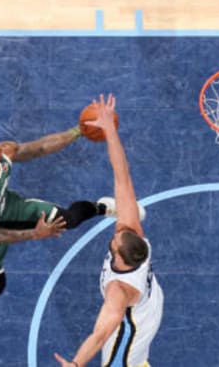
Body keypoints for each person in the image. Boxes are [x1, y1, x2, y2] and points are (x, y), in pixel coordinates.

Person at [0, 118, 144, 296]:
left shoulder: (3, 153)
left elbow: (40, 148)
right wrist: (36, 233)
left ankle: (103, 207)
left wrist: (78, 131)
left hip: (8, 205)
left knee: (68, 219)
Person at [54, 94, 162, 367]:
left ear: (121, 258)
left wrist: (76, 363)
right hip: (149, 305)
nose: (115, 232)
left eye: (115, 241)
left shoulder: (119, 291)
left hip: (132, 330)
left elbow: (101, 334)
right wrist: (110, 131)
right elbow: (122, 176)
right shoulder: (132, 233)